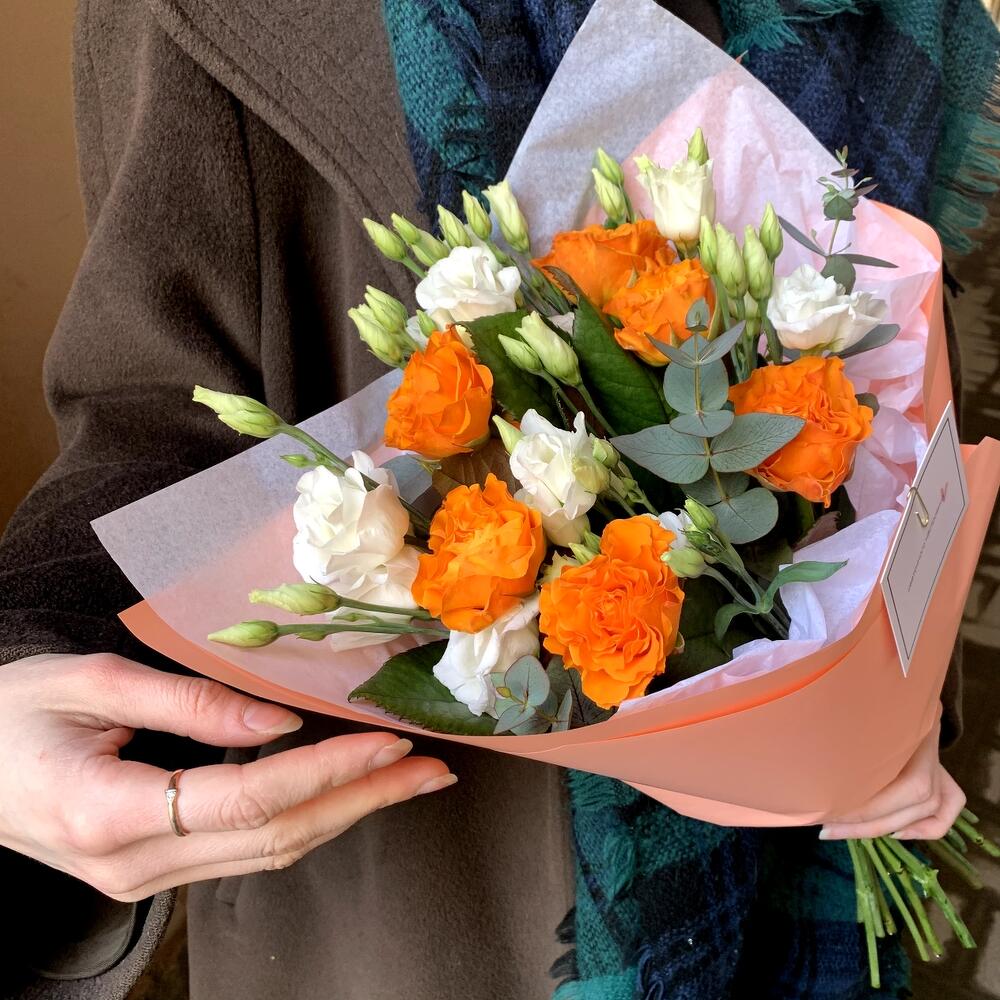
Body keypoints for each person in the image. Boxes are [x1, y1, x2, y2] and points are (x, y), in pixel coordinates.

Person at [0, 1, 994, 998]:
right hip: (435, 887)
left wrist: (892, 685)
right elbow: (155, 410)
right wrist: (29, 661)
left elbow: (887, 339)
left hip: (825, 832)